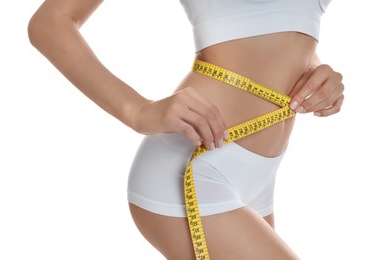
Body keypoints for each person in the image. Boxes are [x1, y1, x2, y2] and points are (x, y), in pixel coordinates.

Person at [28, 0, 344, 259]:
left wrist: (314, 71)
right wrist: (136, 111)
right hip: (194, 166)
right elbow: (50, 22)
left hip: (260, 178)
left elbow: (280, 28)